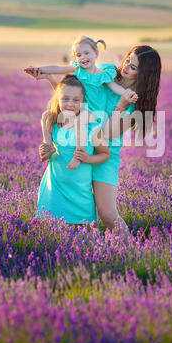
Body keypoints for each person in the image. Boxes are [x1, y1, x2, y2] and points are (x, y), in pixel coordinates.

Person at [25, 43, 161, 237]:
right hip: (80, 148)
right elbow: (72, 99)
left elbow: (105, 134)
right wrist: (48, 77)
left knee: (107, 214)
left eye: (133, 67)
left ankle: (131, 249)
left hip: (106, 156)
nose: (125, 67)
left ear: (145, 74)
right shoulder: (105, 73)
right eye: (127, 60)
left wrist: (121, 105)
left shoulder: (135, 106)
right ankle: (79, 249)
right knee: (66, 210)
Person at [24, 35, 137, 170]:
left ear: (96, 53)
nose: (83, 57)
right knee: (47, 115)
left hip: (95, 116)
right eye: (78, 55)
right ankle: (48, 146)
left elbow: (115, 87)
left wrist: (126, 94)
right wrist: (39, 69)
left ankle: (78, 155)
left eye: (86, 53)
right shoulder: (77, 70)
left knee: (80, 120)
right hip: (79, 111)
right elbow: (57, 68)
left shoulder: (103, 75)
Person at [36, 74, 110, 229]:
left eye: (76, 100)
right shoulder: (54, 124)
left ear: (83, 102)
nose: (70, 104)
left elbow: (105, 154)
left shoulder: (92, 128)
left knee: (86, 235)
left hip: (80, 193)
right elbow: (47, 149)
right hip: (55, 189)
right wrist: (46, 151)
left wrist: (88, 159)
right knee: (52, 237)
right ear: (58, 99)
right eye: (65, 99)